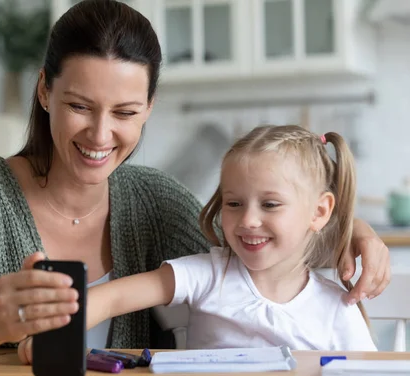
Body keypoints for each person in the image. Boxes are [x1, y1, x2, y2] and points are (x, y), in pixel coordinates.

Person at [0, 0, 387, 368]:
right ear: (45, 91)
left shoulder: (156, 202)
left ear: (149, 111)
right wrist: (2, 319)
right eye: (79, 106)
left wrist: (350, 228)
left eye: (125, 112)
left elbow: (257, 253)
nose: (100, 135)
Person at [20, 125, 377, 360]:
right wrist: (55, 336)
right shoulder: (210, 273)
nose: (248, 220)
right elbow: (112, 297)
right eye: (234, 204)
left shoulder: (337, 309)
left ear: (319, 211)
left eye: (270, 204)